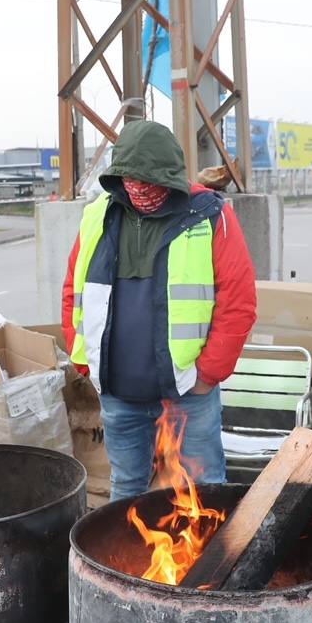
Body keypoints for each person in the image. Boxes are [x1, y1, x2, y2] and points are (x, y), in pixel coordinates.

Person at [61, 120, 256, 500]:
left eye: (148, 179)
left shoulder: (209, 216)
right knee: (127, 494)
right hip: (119, 394)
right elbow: (74, 292)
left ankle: (206, 562)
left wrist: (208, 374)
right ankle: (125, 561)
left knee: (203, 494)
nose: (138, 187)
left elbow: (238, 303)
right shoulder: (97, 216)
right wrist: (87, 363)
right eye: (129, 178)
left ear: (169, 176)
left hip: (188, 392)